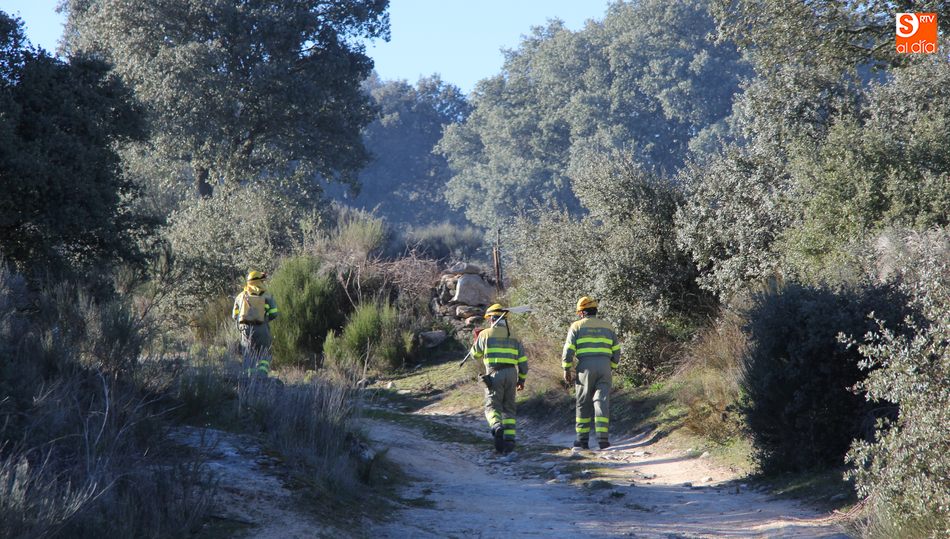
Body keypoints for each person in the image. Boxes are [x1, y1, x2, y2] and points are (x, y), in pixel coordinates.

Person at [561, 297, 621, 450]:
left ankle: (582, 440)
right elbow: (616, 350)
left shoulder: (576, 326)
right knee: (602, 402)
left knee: (583, 402)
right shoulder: (608, 327)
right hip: (605, 366)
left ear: (581, 312)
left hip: (585, 367)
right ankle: (603, 440)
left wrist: (566, 368)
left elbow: (568, 350)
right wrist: (611, 366)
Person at [470, 303, 528, 454]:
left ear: (491, 319)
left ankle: (496, 426)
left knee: (492, 407)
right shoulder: (514, 336)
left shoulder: (485, 334)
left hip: (494, 374)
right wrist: (521, 380)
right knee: (509, 408)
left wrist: (477, 339)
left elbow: (474, 355)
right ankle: (509, 441)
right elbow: (523, 361)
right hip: (511, 374)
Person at [232, 270, 279, 375]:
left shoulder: (240, 296)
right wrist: (264, 320)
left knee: (248, 353)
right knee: (264, 353)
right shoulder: (267, 295)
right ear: (259, 281)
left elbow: (234, 315)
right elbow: (274, 313)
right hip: (262, 329)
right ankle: (262, 376)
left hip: (246, 330)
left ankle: (249, 377)